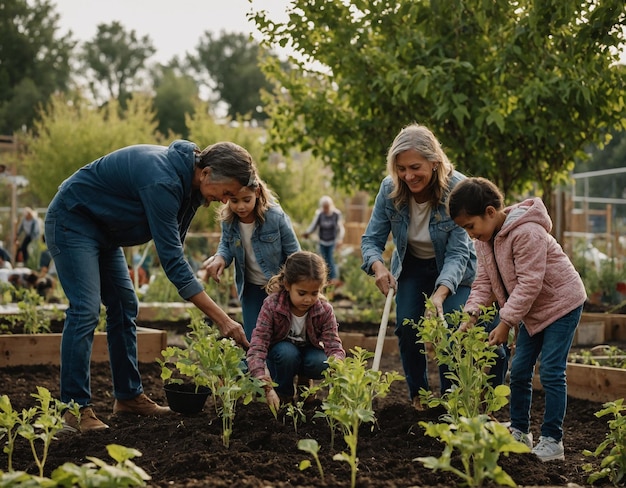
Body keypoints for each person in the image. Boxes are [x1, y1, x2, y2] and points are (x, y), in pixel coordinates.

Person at [44, 140, 256, 433]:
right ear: (206, 172)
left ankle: (129, 398)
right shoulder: (163, 181)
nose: (225, 200)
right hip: (73, 221)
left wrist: (200, 280)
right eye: (228, 192)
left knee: (124, 304)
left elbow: (175, 248)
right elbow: (172, 263)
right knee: (85, 309)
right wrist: (223, 320)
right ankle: (73, 409)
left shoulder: (192, 189)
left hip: (104, 232)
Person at [360, 122, 506, 410]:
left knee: (452, 325)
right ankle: (421, 396)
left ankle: (451, 400)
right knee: (406, 326)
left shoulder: (457, 190)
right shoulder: (390, 190)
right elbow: (370, 239)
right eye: (401, 168)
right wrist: (378, 267)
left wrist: (439, 295)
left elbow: (457, 254)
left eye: (415, 167)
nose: (407, 175)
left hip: (457, 272)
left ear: (435, 162)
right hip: (413, 266)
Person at [448, 177, 586, 462]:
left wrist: (505, 322)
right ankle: (521, 432)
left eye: (470, 226)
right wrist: (471, 315)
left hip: (561, 304)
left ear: (489, 212)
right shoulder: (485, 242)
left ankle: (552, 440)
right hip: (531, 311)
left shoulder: (527, 232)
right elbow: (483, 283)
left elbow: (529, 284)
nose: (471, 234)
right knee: (520, 370)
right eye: (465, 230)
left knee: (550, 370)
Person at [202, 179, 301, 341]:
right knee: (253, 337)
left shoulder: (275, 217)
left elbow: (295, 255)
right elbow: (226, 245)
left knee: (277, 338)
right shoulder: (229, 220)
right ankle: (254, 367)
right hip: (250, 287)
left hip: (278, 288)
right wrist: (220, 258)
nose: (241, 206)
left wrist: (283, 281)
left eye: (246, 200)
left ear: (257, 193)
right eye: (234, 201)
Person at [246, 251, 345, 411]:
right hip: (281, 355)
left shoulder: (324, 310)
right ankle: (284, 394)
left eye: (314, 293)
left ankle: (305, 386)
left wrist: (338, 366)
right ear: (287, 285)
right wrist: (265, 382)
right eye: (302, 293)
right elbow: (258, 344)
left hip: (309, 353)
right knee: (287, 353)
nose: (308, 299)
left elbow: (333, 344)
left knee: (321, 363)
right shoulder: (272, 305)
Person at [302, 195, 344, 283]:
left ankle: (333, 279)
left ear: (330, 205)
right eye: (324, 207)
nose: (325, 209)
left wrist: (339, 239)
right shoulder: (320, 214)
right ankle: (324, 278)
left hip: (332, 241)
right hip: (322, 241)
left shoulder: (336, 214)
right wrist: (307, 232)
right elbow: (314, 225)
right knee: (323, 259)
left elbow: (340, 228)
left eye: (327, 207)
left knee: (331, 259)